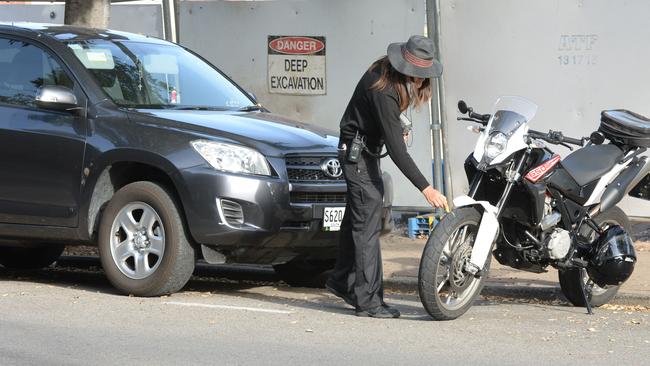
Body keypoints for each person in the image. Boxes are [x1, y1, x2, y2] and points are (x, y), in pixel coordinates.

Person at [326, 35, 448, 319]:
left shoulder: (389, 76)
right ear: (404, 68)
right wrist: (426, 188)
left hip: (363, 151)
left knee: (358, 220)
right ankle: (368, 302)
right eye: (418, 77)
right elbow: (397, 151)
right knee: (367, 227)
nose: (420, 82)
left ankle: (342, 280)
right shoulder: (384, 89)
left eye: (423, 77)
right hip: (357, 155)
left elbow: (387, 122)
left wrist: (398, 124)